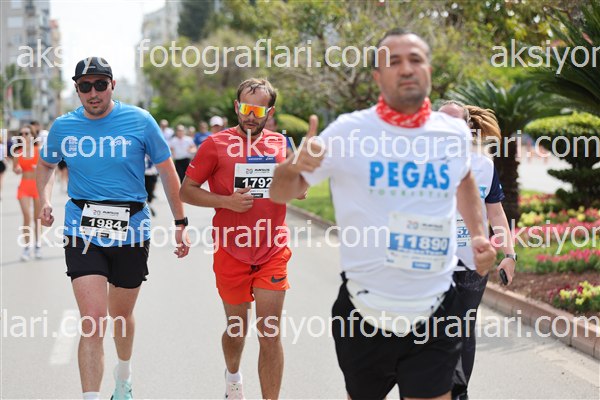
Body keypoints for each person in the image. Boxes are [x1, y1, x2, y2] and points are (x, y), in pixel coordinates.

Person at [270, 29, 497, 400]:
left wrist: (478, 234)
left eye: (415, 59)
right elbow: (281, 193)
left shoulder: (452, 132)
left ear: (428, 70)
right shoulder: (348, 132)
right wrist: (293, 165)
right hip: (365, 312)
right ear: (377, 76)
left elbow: (465, 180)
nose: (406, 68)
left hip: (437, 309)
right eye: (394, 61)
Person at [36, 56, 190, 400]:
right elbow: (45, 165)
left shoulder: (140, 121)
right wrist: (44, 199)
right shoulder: (63, 126)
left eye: (100, 85)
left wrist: (180, 222)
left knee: (121, 316)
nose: (93, 93)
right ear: (77, 89)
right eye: (85, 86)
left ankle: (124, 375)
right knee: (93, 320)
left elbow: (167, 171)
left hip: (131, 230)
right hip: (82, 229)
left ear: (112, 85)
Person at [180, 78, 296, 400]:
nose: (250, 115)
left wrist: (300, 178)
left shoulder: (280, 145)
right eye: (246, 108)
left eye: (258, 110)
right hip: (231, 250)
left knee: (269, 332)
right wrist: (225, 201)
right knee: (237, 329)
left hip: (272, 250)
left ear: (269, 112)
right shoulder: (215, 144)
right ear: (236, 107)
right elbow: (186, 191)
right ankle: (233, 377)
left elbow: (298, 190)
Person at [438, 101, 516, 400]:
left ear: (468, 129)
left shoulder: (484, 165)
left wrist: (509, 254)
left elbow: (495, 212)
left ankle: (458, 393)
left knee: (462, 327)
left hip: (473, 265)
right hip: (431, 264)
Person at [13, 124, 42, 260]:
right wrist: (17, 169)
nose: (24, 136)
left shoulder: (39, 150)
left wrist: (39, 169)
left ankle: (38, 245)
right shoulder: (17, 152)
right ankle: (26, 248)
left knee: (37, 218)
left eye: (26, 133)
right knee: (26, 217)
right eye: (22, 134)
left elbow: (47, 168)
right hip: (24, 186)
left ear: (32, 135)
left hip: (37, 187)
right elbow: (15, 169)